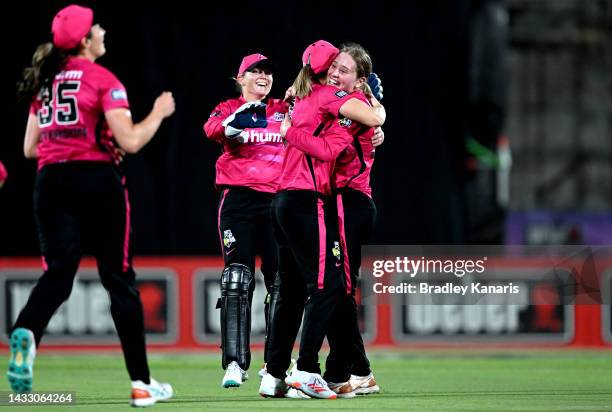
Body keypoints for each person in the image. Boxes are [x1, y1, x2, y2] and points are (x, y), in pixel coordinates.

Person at [8, 5, 175, 407]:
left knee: (58, 275)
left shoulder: (44, 82)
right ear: (85, 41)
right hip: (95, 181)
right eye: (95, 26)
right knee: (118, 278)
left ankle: (27, 332)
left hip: (49, 183)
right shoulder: (102, 78)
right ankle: (140, 383)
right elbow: (132, 141)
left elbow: (30, 148)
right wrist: (158, 112)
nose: (102, 30)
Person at [260, 40, 384, 399]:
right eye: (333, 68)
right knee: (333, 289)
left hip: (341, 200)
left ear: (360, 81)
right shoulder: (330, 98)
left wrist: (377, 113)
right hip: (313, 200)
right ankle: (319, 371)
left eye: (343, 70)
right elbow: (359, 128)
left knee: (308, 289)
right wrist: (376, 113)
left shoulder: (306, 97)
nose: (336, 74)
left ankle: (288, 372)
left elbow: (375, 120)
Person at [203, 53, 288, 388]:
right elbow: (212, 130)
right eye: (255, 71)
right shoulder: (226, 107)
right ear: (240, 78)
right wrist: (236, 122)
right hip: (237, 201)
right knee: (236, 279)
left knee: (281, 283)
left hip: (279, 202)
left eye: (268, 71)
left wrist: (370, 125)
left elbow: (320, 116)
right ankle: (236, 363)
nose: (263, 76)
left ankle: (276, 364)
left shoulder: (284, 108)